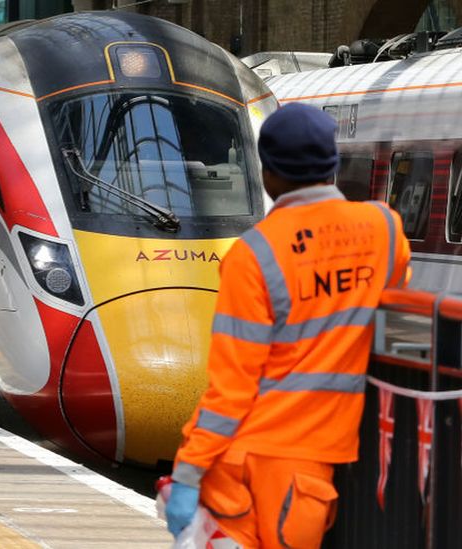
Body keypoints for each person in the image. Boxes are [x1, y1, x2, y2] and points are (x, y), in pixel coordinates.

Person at [165, 103, 412, 548]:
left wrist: (188, 472)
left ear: (268, 174)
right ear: (333, 166)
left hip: (241, 468)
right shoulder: (385, 231)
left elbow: (232, 389)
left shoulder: (254, 254)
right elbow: (396, 321)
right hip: (302, 470)